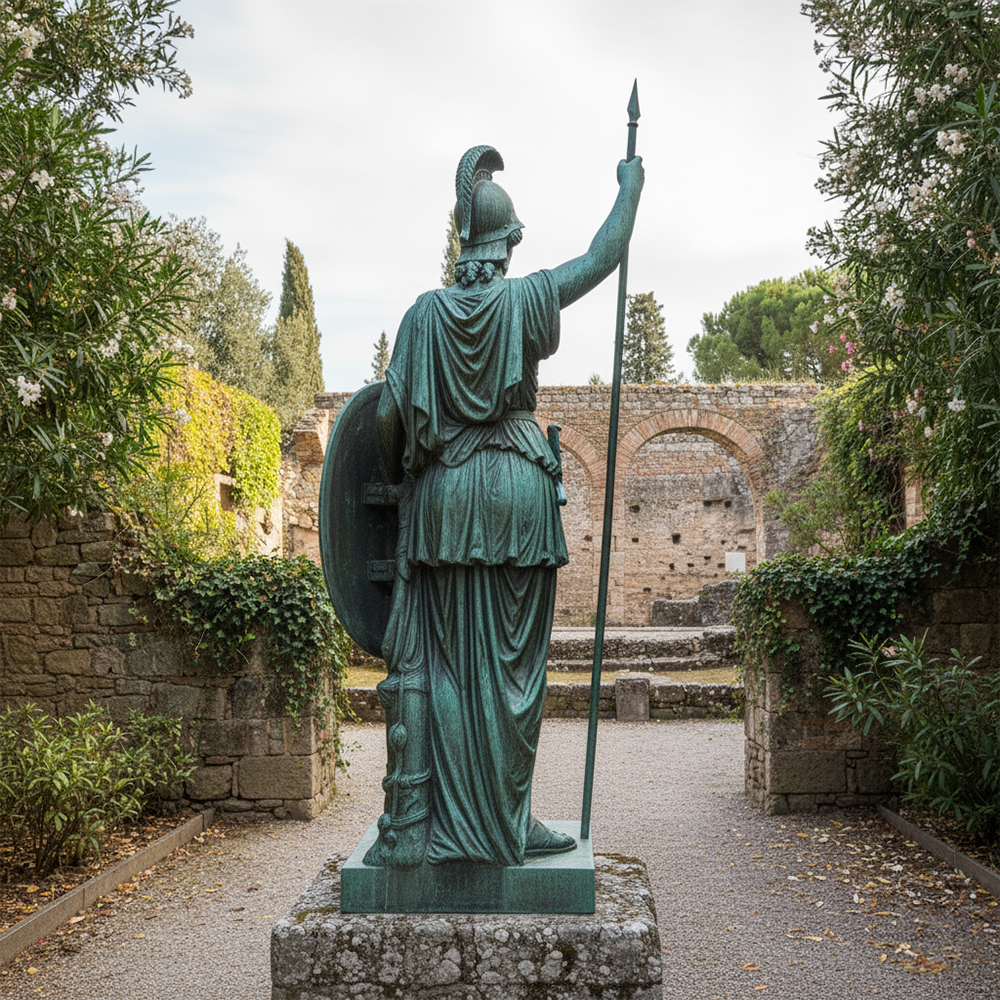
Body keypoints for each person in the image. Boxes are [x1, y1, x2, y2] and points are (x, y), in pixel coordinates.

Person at [365, 145, 643, 869]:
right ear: (508, 241)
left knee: (449, 668)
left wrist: (408, 471)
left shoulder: (424, 314)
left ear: (466, 245)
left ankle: (442, 824)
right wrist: (629, 189)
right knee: (514, 675)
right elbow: (601, 256)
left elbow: (389, 416)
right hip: (516, 494)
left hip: (444, 501)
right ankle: (505, 822)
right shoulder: (524, 300)